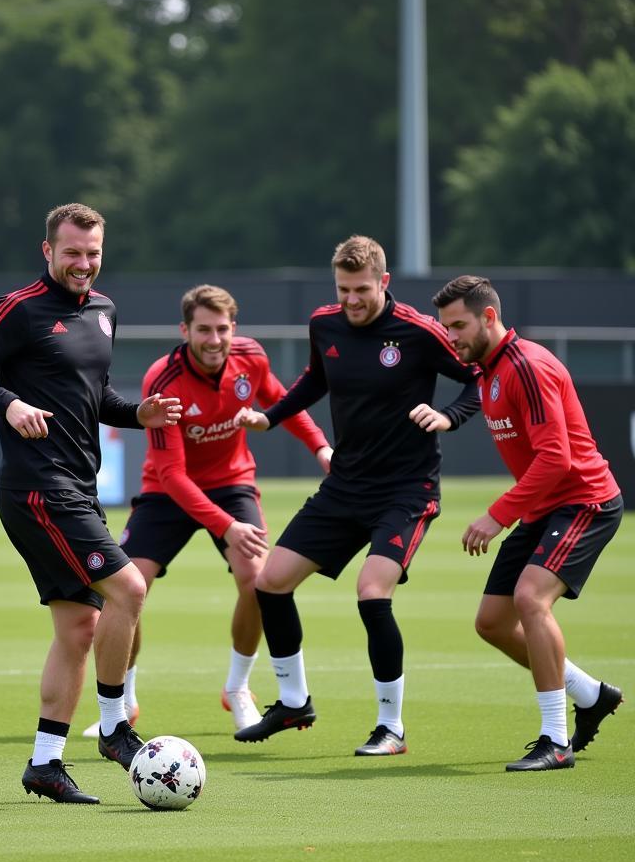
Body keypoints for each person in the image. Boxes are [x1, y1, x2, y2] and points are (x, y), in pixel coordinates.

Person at [0, 203, 181, 805]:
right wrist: (9, 404)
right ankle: (114, 728)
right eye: (72, 252)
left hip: (77, 486)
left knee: (79, 629)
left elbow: (96, 394)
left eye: (93, 253)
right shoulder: (19, 308)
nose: (84, 264)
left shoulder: (103, 311)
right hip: (37, 486)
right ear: (46, 251)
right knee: (128, 589)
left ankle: (45, 764)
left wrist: (139, 414)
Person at [234, 235, 480, 755]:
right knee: (270, 582)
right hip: (346, 485)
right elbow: (312, 381)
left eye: (362, 289)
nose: (351, 300)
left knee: (372, 592)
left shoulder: (417, 331)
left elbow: (480, 377)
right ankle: (294, 701)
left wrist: (449, 417)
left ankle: (390, 728)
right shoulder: (324, 323)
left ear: (384, 283)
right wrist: (268, 416)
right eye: (344, 289)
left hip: (407, 491)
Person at [81, 283, 332, 737]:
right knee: (127, 589)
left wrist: (320, 447)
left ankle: (237, 688)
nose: (214, 340)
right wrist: (226, 526)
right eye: (203, 330)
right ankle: (124, 701)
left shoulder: (251, 357)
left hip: (233, 484)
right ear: (185, 330)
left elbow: (283, 404)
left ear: (234, 328)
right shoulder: (164, 378)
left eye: (222, 329)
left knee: (257, 582)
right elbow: (172, 474)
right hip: (165, 493)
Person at [429, 276, 623, 771]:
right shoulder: (488, 371)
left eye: (459, 325)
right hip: (544, 507)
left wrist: (497, 515)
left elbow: (557, 459)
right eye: (446, 327)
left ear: (489, 317)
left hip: (585, 501)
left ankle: (555, 740)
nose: (452, 337)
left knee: (530, 599)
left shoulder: (527, 367)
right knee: (492, 623)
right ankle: (591, 695)